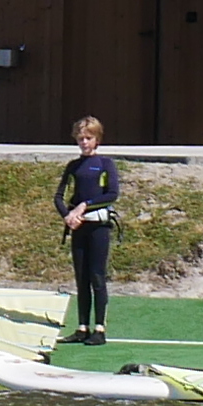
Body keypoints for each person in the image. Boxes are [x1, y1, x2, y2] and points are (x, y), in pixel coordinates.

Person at [54, 117, 120, 341]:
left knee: (96, 276)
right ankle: (82, 326)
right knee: (81, 277)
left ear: (97, 140)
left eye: (88, 138)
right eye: (80, 138)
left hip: (98, 227)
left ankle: (99, 328)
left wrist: (84, 206)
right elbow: (59, 196)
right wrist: (67, 216)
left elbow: (111, 194)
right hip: (78, 227)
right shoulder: (73, 166)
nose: (84, 142)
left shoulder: (104, 164)